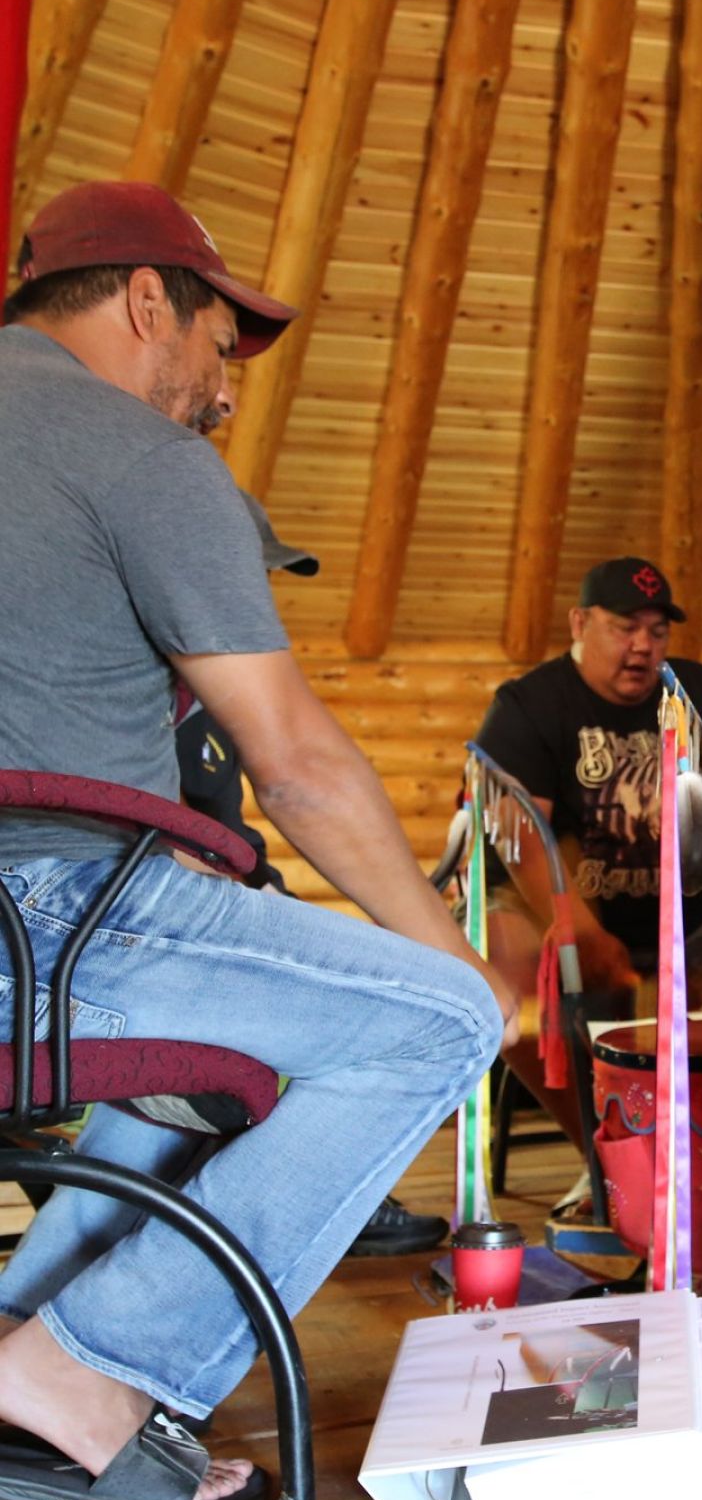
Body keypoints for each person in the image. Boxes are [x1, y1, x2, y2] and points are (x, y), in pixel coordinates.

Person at [0, 180, 515, 1500]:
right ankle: (91, 1366)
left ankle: (13, 1339)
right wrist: (461, 958)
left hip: (41, 928)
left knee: (207, 1059)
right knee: (437, 1020)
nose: (225, 392)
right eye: (221, 347)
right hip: (45, 915)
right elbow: (293, 763)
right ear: (146, 302)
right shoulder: (133, 453)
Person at [174, 492, 451, 1259]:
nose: (259, 595)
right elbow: (157, 834)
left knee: (361, 969)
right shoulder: (145, 692)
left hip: (225, 898)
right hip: (169, 920)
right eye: (249, 575)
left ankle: (323, 1192)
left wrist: (265, 887)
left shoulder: (218, 694)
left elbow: (228, 825)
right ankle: (307, 1196)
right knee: (376, 1008)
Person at [474, 556, 702, 1152]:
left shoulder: (696, 689)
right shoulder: (528, 703)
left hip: (693, 918)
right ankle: (603, 1151)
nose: (642, 646)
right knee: (499, 955)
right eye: (624, 628)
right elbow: (522, 833)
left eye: (657, 632)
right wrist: (578, 925)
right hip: (570, 912)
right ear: (580, 624)